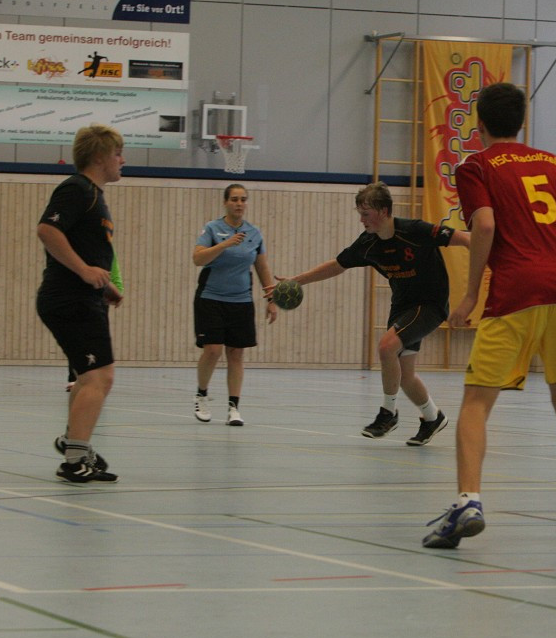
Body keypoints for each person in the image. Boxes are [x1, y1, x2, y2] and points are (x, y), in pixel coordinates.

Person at [422, 82, 556, 549]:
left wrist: (468, 297)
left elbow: (484, 224)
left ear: (478, 124)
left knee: (477, 402)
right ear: (521, 121)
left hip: (516, 291)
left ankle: (468, 502)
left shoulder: (477, 166)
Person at [270, 181, 469, 445]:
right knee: (405, 376)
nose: (362, 220)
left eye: (366, 214)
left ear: (384, 211)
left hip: (430, 305)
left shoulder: (415, 230)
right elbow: (337, 265)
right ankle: (432, 417)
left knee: (386, 346)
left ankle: (388, 413)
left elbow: (466, 239)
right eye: (360, 214)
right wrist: (297, 280)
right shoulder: (368, 244)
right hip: (402, 306)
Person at [37, 123, 125, 483]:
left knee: (92, 377)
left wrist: (102, 283)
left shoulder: (95, 195)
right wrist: (84, 271)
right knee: (98, 377)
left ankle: (77, 444)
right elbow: (47, 230)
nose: (123, 161)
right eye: (118, 154)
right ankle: (73, 459)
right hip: (69, 299)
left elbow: (86, 249)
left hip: (84, 297)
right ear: (101, 157)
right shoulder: (77, 188)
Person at [192, 183, 278, 426]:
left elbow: (262, 267)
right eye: (234, 199)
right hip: (210, 298)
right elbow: (198, 258)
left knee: (236, 353)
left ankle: (234, 407)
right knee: (212, 350)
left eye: (243, 199)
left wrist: (271, 300)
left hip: (240, 300)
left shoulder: (254, 234)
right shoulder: (212, 228)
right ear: (225, 202)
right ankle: (202, 395)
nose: (239, 203)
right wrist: (225, 244)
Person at [65, 254, 122, 392]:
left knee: (97, 338)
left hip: (100, 299)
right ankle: (75, 377)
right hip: (79, 297)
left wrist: (118, 289)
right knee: (76, 338)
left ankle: (93, 373)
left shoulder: (106, 248)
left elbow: (114, 269)